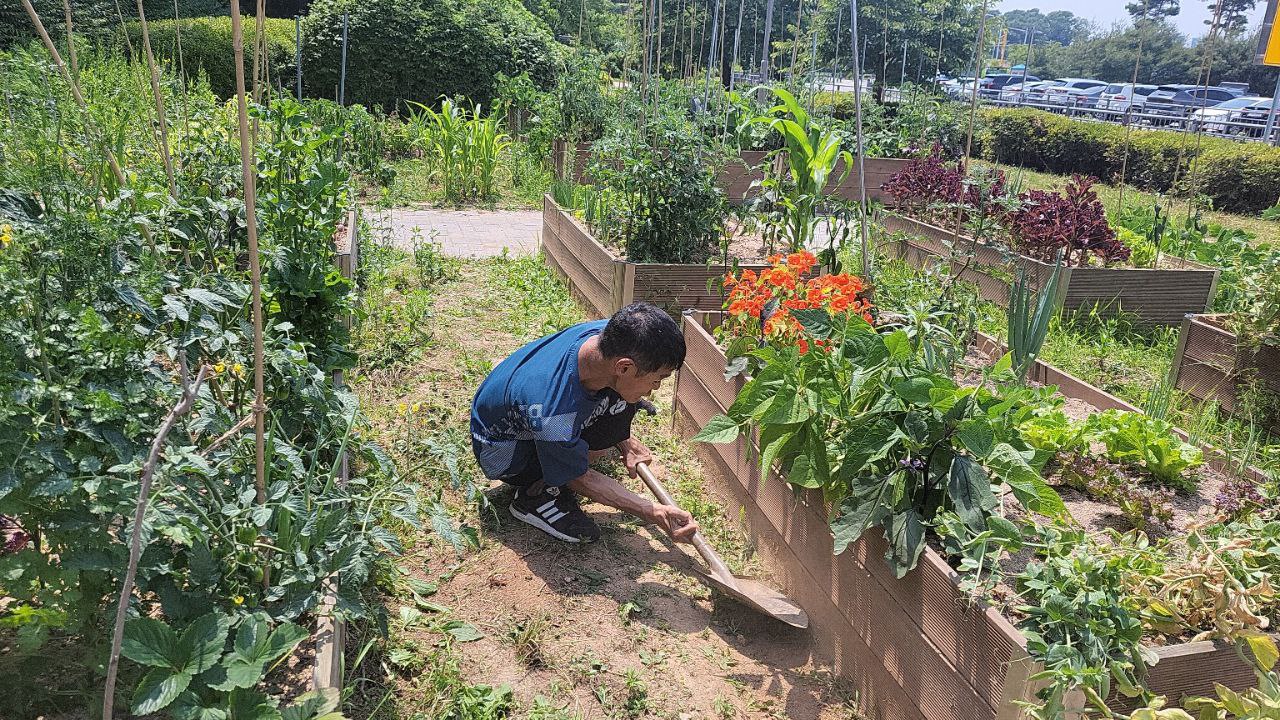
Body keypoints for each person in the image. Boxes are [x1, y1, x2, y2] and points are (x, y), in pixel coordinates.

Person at [470, 302, 699, 544]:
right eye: (657, 379)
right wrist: (652, 511)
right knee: (583, 454)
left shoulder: (608, 338)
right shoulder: (552, 411)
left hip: (541, 413)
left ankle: (580, 448)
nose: (656, 388)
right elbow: (579, 477)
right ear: (624, 367)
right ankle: (535, 496)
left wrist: (625, 441)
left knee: (621, 397)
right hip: (504, 453)